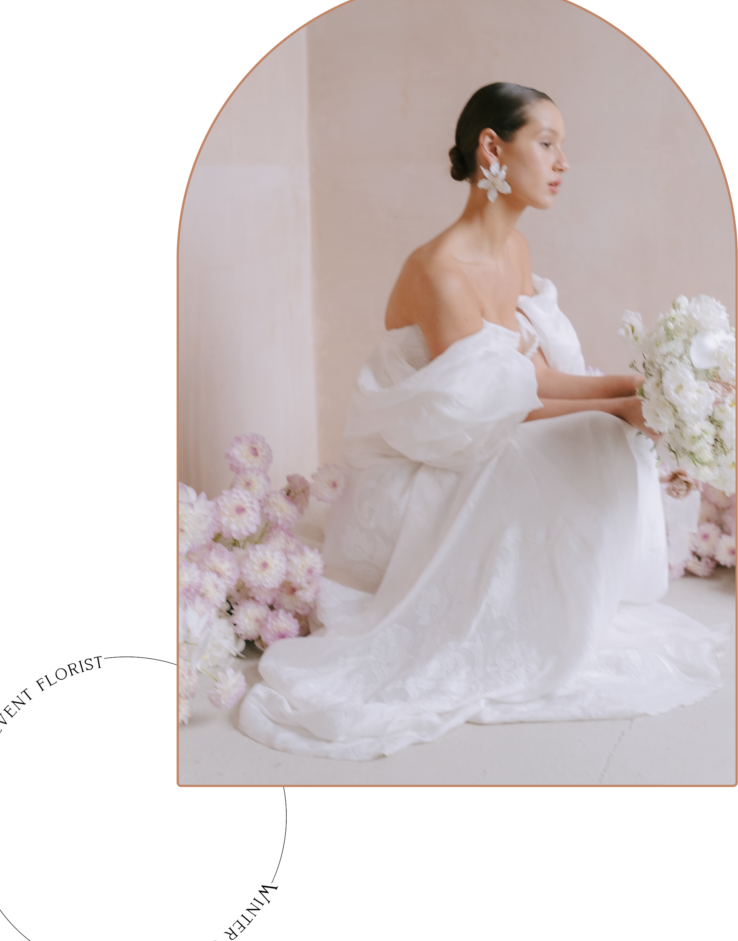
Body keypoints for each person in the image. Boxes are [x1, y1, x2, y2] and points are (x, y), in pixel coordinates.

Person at [237, 83, 726, 761]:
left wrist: (644, 390)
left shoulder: (516, 252)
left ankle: (561, 610)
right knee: (599, 434)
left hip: (485, 436)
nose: (561, 163)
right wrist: (618, 402)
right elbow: (494, 407)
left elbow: (529, 378)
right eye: (546, 143)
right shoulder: (439, 270)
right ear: (490, 147)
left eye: (563, 148)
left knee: (610, 433)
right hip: (427, 465)